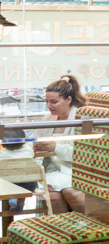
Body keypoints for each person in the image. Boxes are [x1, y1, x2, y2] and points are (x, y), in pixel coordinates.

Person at [34, 74, 87, 213]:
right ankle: (62, 230)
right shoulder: (48, 119)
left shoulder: (80, 119)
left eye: (53, 102)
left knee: (71, 193)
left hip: (75, 169)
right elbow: (34, 138)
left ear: (68, 99)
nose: (49, 106)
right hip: (53, 170)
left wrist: (55, 147)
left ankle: (94, 225)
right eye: (46, 101)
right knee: (53, 196)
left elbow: (82, 154)